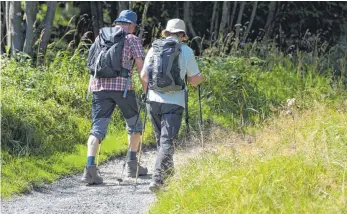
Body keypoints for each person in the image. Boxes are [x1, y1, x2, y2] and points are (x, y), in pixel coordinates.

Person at [81, 10, 148, 185]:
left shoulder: (100, 37)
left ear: (118, 22)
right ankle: (131, 164)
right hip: (123, 89)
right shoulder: (132, 39)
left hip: (99, 87)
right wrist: (146, 90)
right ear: (131, 25)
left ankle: (89, 169)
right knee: (135, 124)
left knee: (97, 128)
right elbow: (142, 68)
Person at [140, 19, 203, 192]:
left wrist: (149, 92)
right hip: (174, 103)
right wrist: (203, 77)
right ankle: (157, 179)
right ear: (182, 35)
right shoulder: (186, 51)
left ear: (166, 33)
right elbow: (194, 80)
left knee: (162, 141)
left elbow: (144, 75)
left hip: (153, 101)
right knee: (167, 141)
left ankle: (169, 173)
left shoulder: (154, 48)